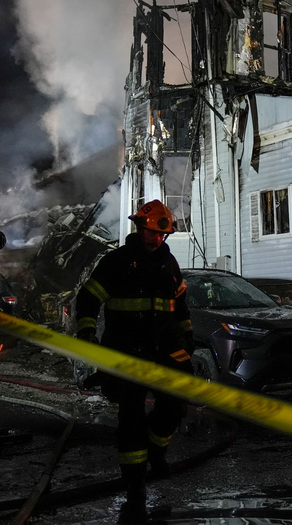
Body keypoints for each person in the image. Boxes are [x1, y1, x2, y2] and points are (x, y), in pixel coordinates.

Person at [75, 199, 194, 524]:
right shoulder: (116, 262)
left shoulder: (168, 264)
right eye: (148, 232)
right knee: (130, 417)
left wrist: (186, 339)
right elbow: (87, 299)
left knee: (173, 408)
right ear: (139, 228)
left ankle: (156, 452)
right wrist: (87, 335)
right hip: (124, 352)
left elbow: (179, 305)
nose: (153, 239)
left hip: (163, 351)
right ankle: (135, 484)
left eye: (159, 234)